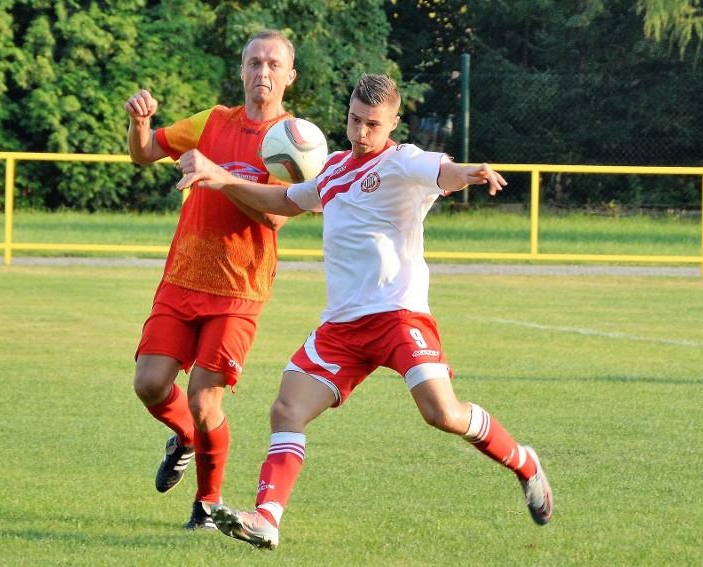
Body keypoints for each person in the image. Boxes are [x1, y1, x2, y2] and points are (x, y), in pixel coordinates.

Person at [176, 73, 553, 550]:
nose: (360, 133)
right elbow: (285, 201)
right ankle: (267, 519)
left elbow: (444, 171)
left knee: (441, 412)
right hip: (342, 325)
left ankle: (524, 461)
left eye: (372, 124)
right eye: (354, 120)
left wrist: (469, 173)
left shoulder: (404, 161)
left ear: (393, 122)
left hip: (399, 315)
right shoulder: (332, 169)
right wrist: (224, 178)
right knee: (287, 408)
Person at [122, 30, 298, 531]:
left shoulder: (294, 140)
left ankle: (206, 503)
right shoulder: (212, 121)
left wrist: (217, 173)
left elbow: (276, 217)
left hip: (240, 288)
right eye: (253, 62)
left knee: (203, 398)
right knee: (150, 384)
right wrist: (140, 124)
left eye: (272, 65)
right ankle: (184, 439)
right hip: (182, 278)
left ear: (289, 76)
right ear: (242, 70)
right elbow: (143, 153)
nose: (261, 72)